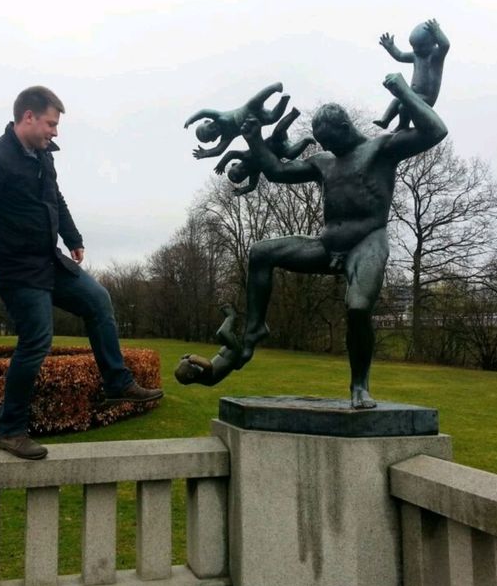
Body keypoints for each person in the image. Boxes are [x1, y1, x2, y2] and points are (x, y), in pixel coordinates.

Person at [177, 72, 447, 409]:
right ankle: (255, 328)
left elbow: (435, 131)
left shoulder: (382, 149)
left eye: (328, 140)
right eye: (320, 141)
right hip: (326, 245)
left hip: (367, 242)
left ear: (345, 129)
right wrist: (255, 140)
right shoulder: (324, 163)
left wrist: (403, 91)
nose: (325, 147)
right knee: (261, 252)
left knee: (359, 307)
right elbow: (277, 171)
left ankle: (359, 386)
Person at [0, 86, 163, 460]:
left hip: (48, 259)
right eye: (51, 124)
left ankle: (117, 382)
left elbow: (55, 197)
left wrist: (72, 237)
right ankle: (10, 431)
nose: (55, 132)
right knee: (37, 339)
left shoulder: (42, 157)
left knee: (98, 300)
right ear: (28, 117)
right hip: (16, 269)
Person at [213, 107, 315, 196]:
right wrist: (242, 190)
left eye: (240, 168)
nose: (244, 170)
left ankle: (293, 114)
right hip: (282, 151)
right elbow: (252, 186)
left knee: (279, 131)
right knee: (290, 155)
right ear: (245, 176)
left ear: (235, 164)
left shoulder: (245, 156)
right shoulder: (254, 172)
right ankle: (306, 140)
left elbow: (231, 153)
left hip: (274, 142)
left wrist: (221, 164)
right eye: (243, 174)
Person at [373, 18, 450, 131]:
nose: (417, 50)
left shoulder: (435, 56)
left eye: (421, 46)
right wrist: (390, 47)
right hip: (413, 93)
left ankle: (403, 125)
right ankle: (385, 121)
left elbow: (445, 45)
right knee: (396, 101)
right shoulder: (416, 56)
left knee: (404, 106)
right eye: (414, 47)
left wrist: (437, 31)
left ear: (433, 43)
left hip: (426, 97)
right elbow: (399, 55)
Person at [184, 82, 290, 160]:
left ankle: (274, 87)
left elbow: (204, 111)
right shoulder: (227, 136)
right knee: (272, 118)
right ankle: (284, 100)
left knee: (257, 100)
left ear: (207, 121)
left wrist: (191, 119)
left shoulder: (219, 117)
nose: (214, 129)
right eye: (213, 133)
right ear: (214, 139)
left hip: (247, 110)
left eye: (211, 127)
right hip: (255, 121)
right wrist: (206, 153)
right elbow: (219, 150)